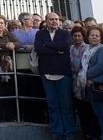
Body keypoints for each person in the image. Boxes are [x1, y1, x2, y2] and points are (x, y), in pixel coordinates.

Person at [34, 12, 75, 140]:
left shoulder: (65, 33)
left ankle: (70, 132)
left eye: (56, 19)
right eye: (51, 19)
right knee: (52, 105)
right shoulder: (40, 34)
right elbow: (39, 49)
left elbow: (65, 46)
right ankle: (57, 133)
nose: (54, 21)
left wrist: (48, 45)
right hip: (46, 73)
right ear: (46, 21)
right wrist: (57, 50)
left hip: (63, 73)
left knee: (66, 105)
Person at [77, 26, 103, 140]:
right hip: (90, 86)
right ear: (88, 37)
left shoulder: (102, 49)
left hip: (102, 86)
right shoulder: (86, 50)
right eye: (92, 35)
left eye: (97, 35)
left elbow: (101, 66)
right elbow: (82, 66)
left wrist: (86, 76)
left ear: (101, 38)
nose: (94, 37)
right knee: (99, 115)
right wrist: (86, 78)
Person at [70, 26, 100, 140]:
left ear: (83, 37)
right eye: (75, 36)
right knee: (80, 108)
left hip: (86, 80)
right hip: (74, 81)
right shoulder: (71, 48)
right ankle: (85, 132)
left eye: (79, 36)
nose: (77, 38)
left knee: (89, 108)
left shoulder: (88, 48)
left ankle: (94, 133)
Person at [0, 14, 20, 122]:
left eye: (2, 23)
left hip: (8, 68)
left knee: (9, 92)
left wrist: (13, 45)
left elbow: (18, 43)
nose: (0, 25)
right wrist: (6, 45)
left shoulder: (9, 34)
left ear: (5, 24)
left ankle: (10, 116)